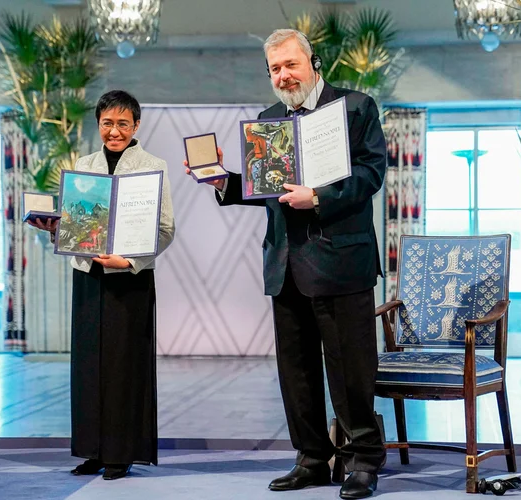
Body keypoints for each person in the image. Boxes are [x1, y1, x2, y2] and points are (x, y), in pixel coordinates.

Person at [185, 29, 386, 499]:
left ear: (313, 62)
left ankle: (363, 460)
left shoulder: (355, 108)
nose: (283, 75)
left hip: (341, 262)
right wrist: (221, 181)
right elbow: (266, 190)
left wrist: (318, 196)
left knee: (350, 370)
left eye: (290, 64)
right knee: (295, 371)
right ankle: (312, 458)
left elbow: (371, 172)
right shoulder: (270, 119)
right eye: (275, 68)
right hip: (285, 263)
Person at [29, 90, 175, 480]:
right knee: (89, 367)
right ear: (99, 125)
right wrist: (55, 229)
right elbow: (77, 224)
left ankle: (120, 453)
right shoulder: (84, 164)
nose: (114, 131)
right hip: (88, 277)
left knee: (124, 367)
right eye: (108, 124)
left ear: (136, 126)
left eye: (122, 124)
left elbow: (164, 229)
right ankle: (93, 450)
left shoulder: (152, 165)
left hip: (129, 279)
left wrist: (129, 261)